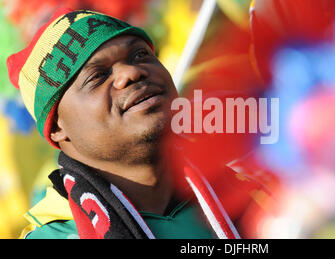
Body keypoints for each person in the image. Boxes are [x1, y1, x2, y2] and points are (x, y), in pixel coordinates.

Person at [8, 8, 272, 239]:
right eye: (98, 76)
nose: (131, 73)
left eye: (140, 55)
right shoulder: (56, 235)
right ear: (57, 128)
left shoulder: (261, 199)